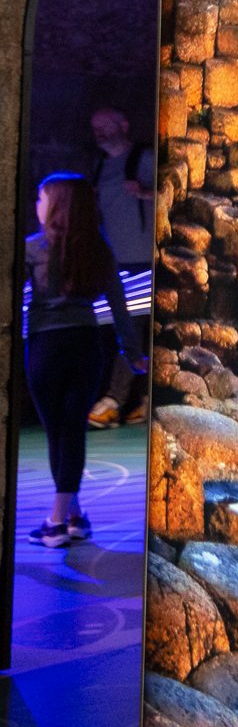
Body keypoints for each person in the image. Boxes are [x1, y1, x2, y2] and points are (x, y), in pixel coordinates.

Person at [22, 172, 147, 548]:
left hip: (45, 346)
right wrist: (133, 351)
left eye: (42, 199)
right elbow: (119, 305)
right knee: (71, 430)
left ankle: (56, 522)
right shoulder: (99, 247)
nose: (37, 206)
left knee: (58, 432)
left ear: (58, 204)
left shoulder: (32, 248)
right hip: (85, 346)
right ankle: (74, 515)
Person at [85, 106, 153, 428]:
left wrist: (145, 192)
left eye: (106, 125)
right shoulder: (100, 166)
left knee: (134, 330)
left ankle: (117, 400)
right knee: (124, 331)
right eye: (95, 127)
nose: (100, 132)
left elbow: (174, 196)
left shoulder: (144, 157)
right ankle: (137, 398)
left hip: (143, 260)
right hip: (114, 263)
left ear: (123, 124)